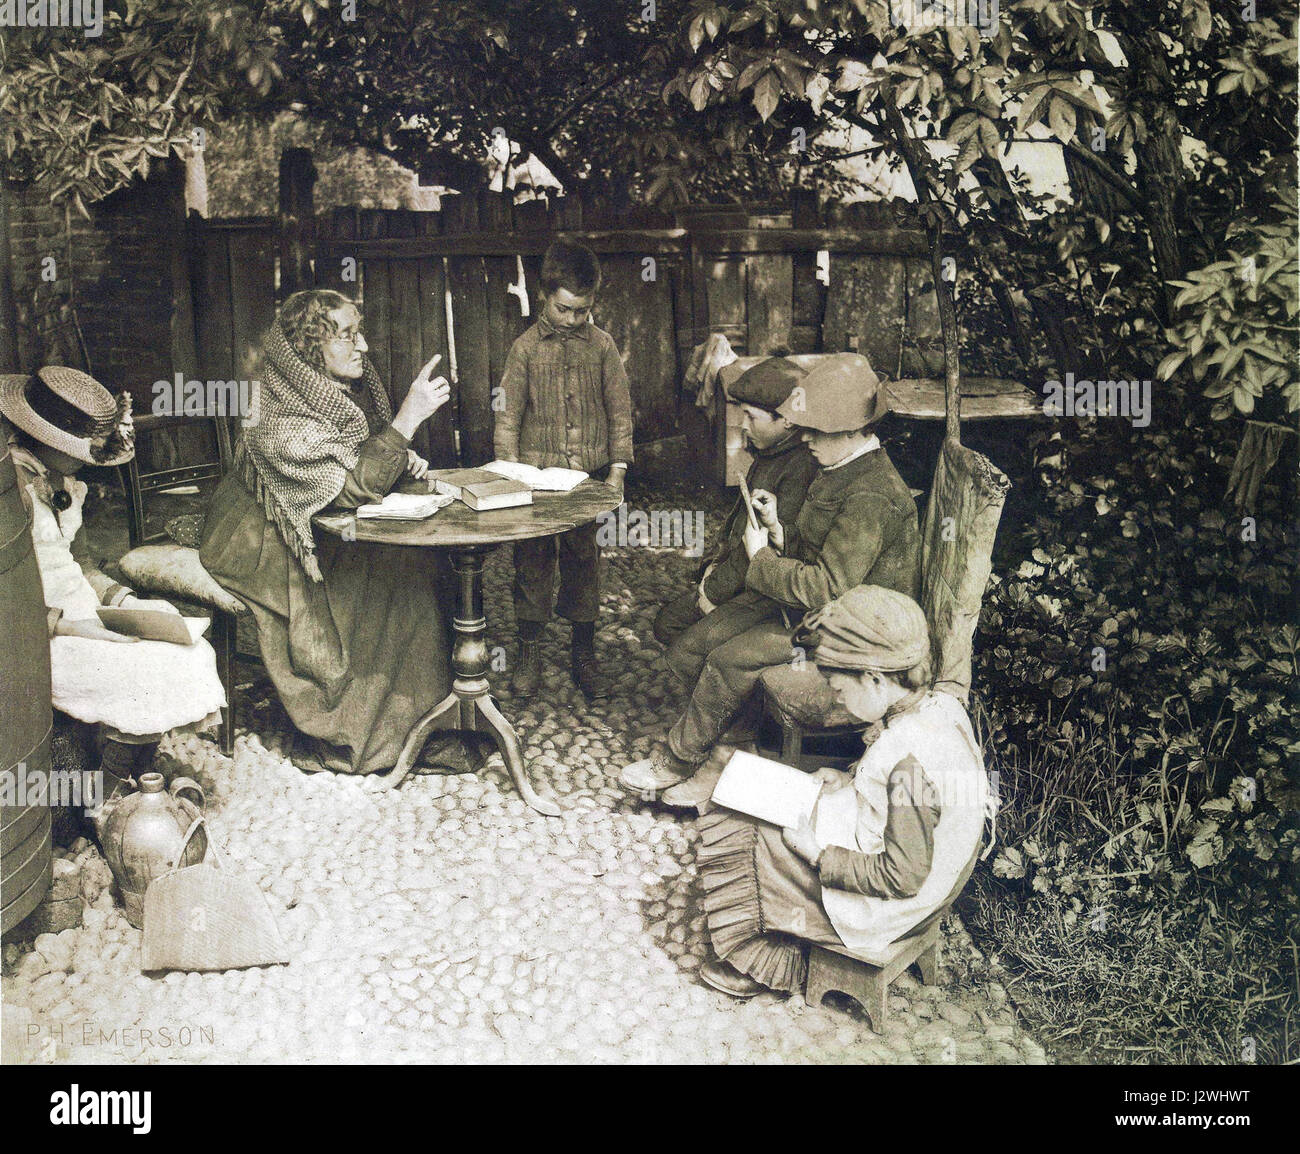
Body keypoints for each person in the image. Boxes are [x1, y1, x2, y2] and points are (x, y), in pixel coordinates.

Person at [621, 352, 921, 805]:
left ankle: (691, 760)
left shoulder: (871, 494)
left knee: (729, 659)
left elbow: (825, 588)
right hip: (811, 612)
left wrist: (760, 558)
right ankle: (728, 751)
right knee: (693, 648)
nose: (803, 439)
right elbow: (819, 556)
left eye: (814, 431)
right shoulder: (840, 467)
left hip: (851, 636)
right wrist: (782, 530)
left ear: (852, 431)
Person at [199, 289, 455, 775]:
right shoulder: (278, 418)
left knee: (416, 566)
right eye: (346, 336)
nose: (362, 347)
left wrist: (399, 457)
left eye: (359, 333)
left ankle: (423, 719)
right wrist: (405, 423)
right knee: (378, 585)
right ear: (310, 348)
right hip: (264, 537)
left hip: (314, 521)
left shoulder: (333, 395)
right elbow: (349, 488)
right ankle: (368, 732)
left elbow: (355, 466)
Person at [694, 585, 990, 998]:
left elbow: (901, 877)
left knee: (750, 827)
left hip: (894, 901)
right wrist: (850, 777)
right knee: (763, 790)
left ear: (872, 678)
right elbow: (903, 789)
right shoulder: (934, 705)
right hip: (917, 863)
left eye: (838, 688)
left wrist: (815, 853)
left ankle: (765, 961)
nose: (837, 698)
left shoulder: (910, 764)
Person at [0, 366, 226, 809]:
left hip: (85, 612)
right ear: (43, 436)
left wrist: (125, 600)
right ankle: (99, 799)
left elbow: (78, 563)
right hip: (34, 633)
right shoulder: (12, 493)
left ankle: (127, 772)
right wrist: (77, 627)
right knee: (137, 672)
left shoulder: (61, 480)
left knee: (187, 649)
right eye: (81, 448)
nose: (89, 459)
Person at [493, 240, 634, 701]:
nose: (573, 319)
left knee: (584, 564)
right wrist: (510, 474)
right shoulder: (525, 350)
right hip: (536, 484)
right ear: (543, 295)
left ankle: (583, 653)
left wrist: (616, 472)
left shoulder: (604, 347)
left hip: (589, 481)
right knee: (532, 566)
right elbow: (508, 416)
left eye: (582, 311)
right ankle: (529, 651)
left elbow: (620, 412)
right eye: (564, 309)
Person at [651, 355, 817, 650]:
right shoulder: (772, 451)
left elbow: (757, 547)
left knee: (672, 627)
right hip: (742, 577)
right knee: (670, 623)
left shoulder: (799, 468)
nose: (743, 425)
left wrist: (712, 594)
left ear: (788, 421)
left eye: (752, 417)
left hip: (764, 590)